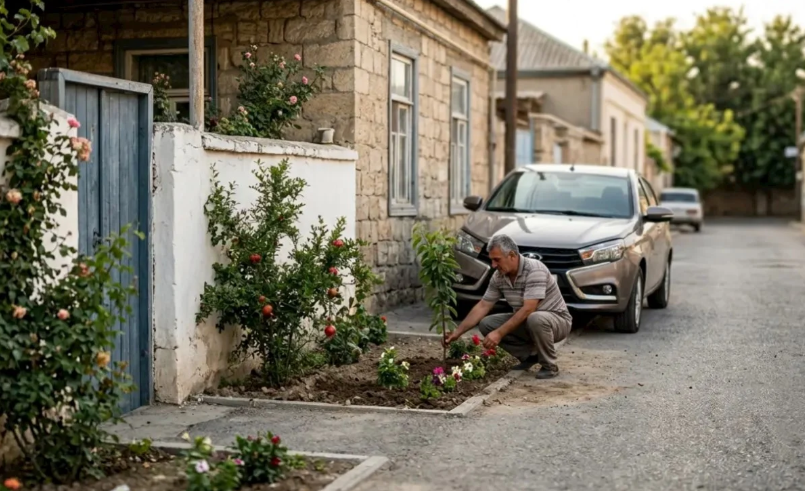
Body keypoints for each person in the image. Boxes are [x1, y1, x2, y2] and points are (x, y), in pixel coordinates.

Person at [444, 234, 573, 379]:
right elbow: (483, 305)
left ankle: (550, 366)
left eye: (497, 260)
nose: (493, 265)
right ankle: (530, 355)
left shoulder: (534, 269)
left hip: (557, 321)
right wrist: (457, 332)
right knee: (487, 324)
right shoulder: (499, 276)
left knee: (535, 318)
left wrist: (499, 334)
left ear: (512, 255)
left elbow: (528, 309)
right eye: (491, 260)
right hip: (530, 320)